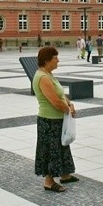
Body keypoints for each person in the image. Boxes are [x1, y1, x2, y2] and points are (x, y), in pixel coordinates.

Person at [32, 46, 78, 193]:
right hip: (49, 120)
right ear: (47, 60)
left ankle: (64, 174)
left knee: (61, 146)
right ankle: (49, 181)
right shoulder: (43, 77)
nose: (58, 60)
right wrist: (68, 110)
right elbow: (55, 101)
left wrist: (69, 103)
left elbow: (61, 95)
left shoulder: (49, 74)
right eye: (55, 58)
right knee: (50, 149)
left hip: (57, 118)